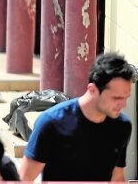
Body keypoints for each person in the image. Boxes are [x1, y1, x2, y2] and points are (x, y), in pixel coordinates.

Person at [20, 52, 134, 182]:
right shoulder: (51, 122)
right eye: (117, 98)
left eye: (126, 98)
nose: (123, 105)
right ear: (92, 89)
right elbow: (25, 178)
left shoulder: (122, 126)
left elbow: (117, 177)